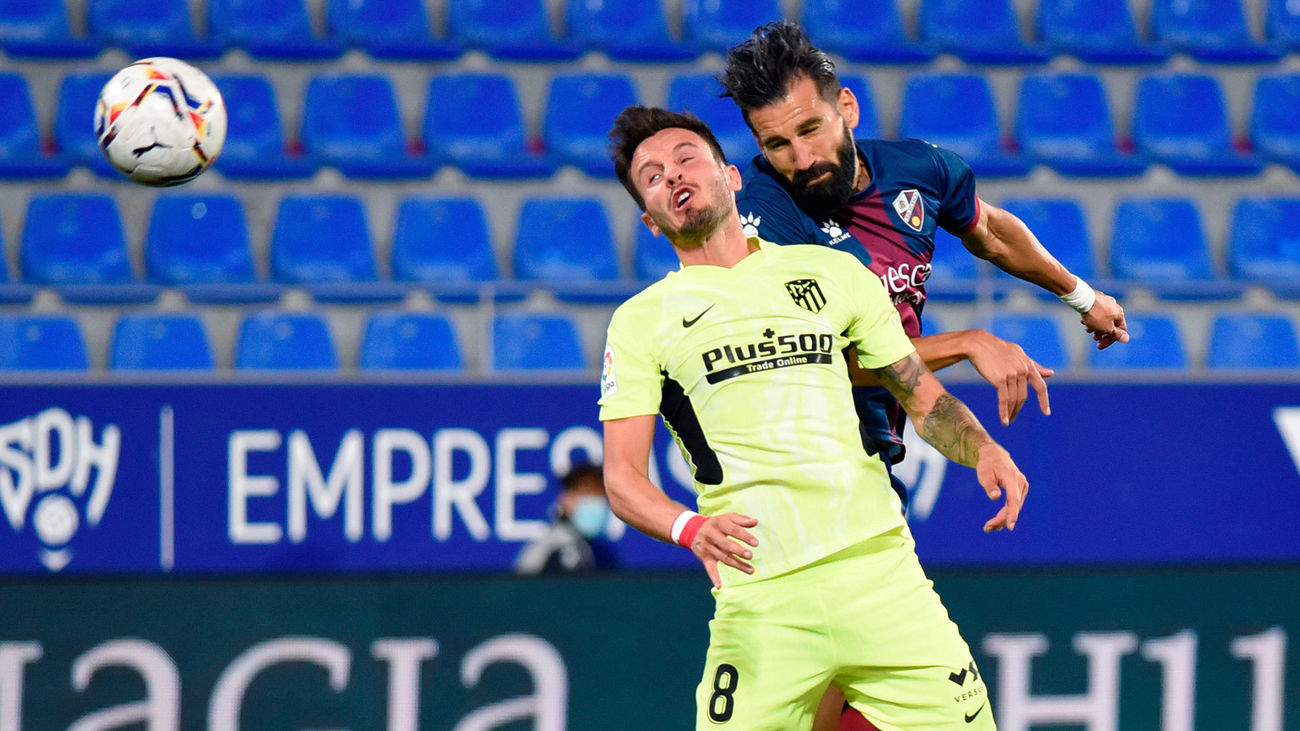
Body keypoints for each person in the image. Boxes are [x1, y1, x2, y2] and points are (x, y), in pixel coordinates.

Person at [717, 23, 1128, 728]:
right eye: (776, 145)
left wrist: (1082, 297)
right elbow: (827, 355)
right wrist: (968, 341)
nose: (801, 158)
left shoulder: (920, 170)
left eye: (811, 129)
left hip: (866, 461)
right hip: (794, 473)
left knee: (847, 690)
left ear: (847, 107)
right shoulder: (764, 212)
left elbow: (991, 231)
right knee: (835, 681)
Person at [600, 105, 1027, 729]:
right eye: (654, 177)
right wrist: (689, 530)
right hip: (764, 598)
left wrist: (982, 447)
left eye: (686, 158)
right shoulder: (641, 322)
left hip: (880, 576)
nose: (673, 176)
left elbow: (917, 392)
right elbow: (622, 480)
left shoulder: (831, 273)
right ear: (651, 220)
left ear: (731, 176)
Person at [513, 463, 617, 575]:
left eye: (600, 494)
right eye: (587, 492)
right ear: (565, 499)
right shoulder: (555, 549)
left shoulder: (598, 553)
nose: (595, 500)